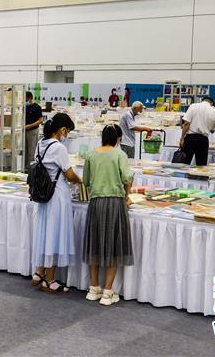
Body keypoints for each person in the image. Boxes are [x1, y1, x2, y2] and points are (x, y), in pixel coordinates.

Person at [82, 124, 134, 306]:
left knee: (94, 244)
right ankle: (107, 292)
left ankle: (93, 288)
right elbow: (127, 178)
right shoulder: (120, 154)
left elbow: (86, 181)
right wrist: (127, 195)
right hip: (115, 203)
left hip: (96, 203)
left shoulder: (91, 154)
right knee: (114, 245)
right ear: (117, 139)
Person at [30, 113, 82, 293]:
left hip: (43, 195)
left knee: (44, 233)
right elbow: (69, 174)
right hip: (58, 195)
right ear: (62, 130)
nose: (67, 135)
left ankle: (39, 272)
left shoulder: (40, 144)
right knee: (55, 235)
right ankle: (50, 279)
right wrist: (80, 180)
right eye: (68, 131)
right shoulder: (59, 148)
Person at [179, 97, 215, 166]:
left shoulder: (193, 106)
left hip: (190, 138)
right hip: (203, 140)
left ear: (202, 100)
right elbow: (212, 130)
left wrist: (182, 138)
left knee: (184, 163)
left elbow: (186, 124)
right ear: (212, 104)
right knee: (201, 165)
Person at [24, 91, 44, 169]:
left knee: (31, 151)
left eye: (26, 99)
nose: (25, 101)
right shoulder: (25, 107)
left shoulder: (37, 107)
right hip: (24, 130)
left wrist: (30, 126)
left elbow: (40, 120)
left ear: (30, 98)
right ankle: (24, 168)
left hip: (32, 131)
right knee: (24, 150)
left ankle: (31, 169)